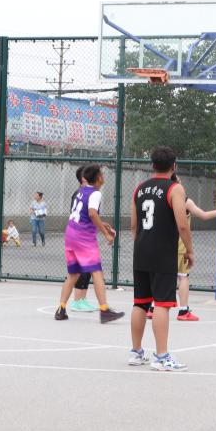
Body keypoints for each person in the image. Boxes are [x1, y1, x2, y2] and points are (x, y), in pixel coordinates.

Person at [129, 147, 194, 371]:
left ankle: (136, 352)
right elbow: (182, 225)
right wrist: (190, 250)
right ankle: (161, 356)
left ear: (152, 165)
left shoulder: (139, 188)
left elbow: (133, 225)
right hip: (162, 253)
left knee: (140, 302)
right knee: (162, 304)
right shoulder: (175, 188)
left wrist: (141, 244)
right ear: (173, 166)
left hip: (141, 250)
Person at [54, 164, 125, 324]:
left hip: (71, 234)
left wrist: (101, 223)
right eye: (102, 174)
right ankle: (104, 310)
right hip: (83, 237)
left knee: (73, 274)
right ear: (98, 178)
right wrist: (106, 233)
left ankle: (61, 309)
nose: (103, 176)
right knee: (96, 272)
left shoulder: (81, 190)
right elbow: (92, 213)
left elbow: (83, 213)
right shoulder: (96, 193)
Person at [162, 173, 216, 322]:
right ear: (177, 183)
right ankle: (183, 310)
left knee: (162, 276)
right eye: (179, 180)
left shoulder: (163, 199)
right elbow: (203, 215)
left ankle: (153, 308)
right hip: (180, 245)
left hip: (163, 244)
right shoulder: (185, 201)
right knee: (183, 276)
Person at [69, 165, 96, 313]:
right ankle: (77, 301)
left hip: (86, 235)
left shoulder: (87, 193)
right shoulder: (79, 194)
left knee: (88, 270)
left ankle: (83, 299)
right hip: (79, 235)